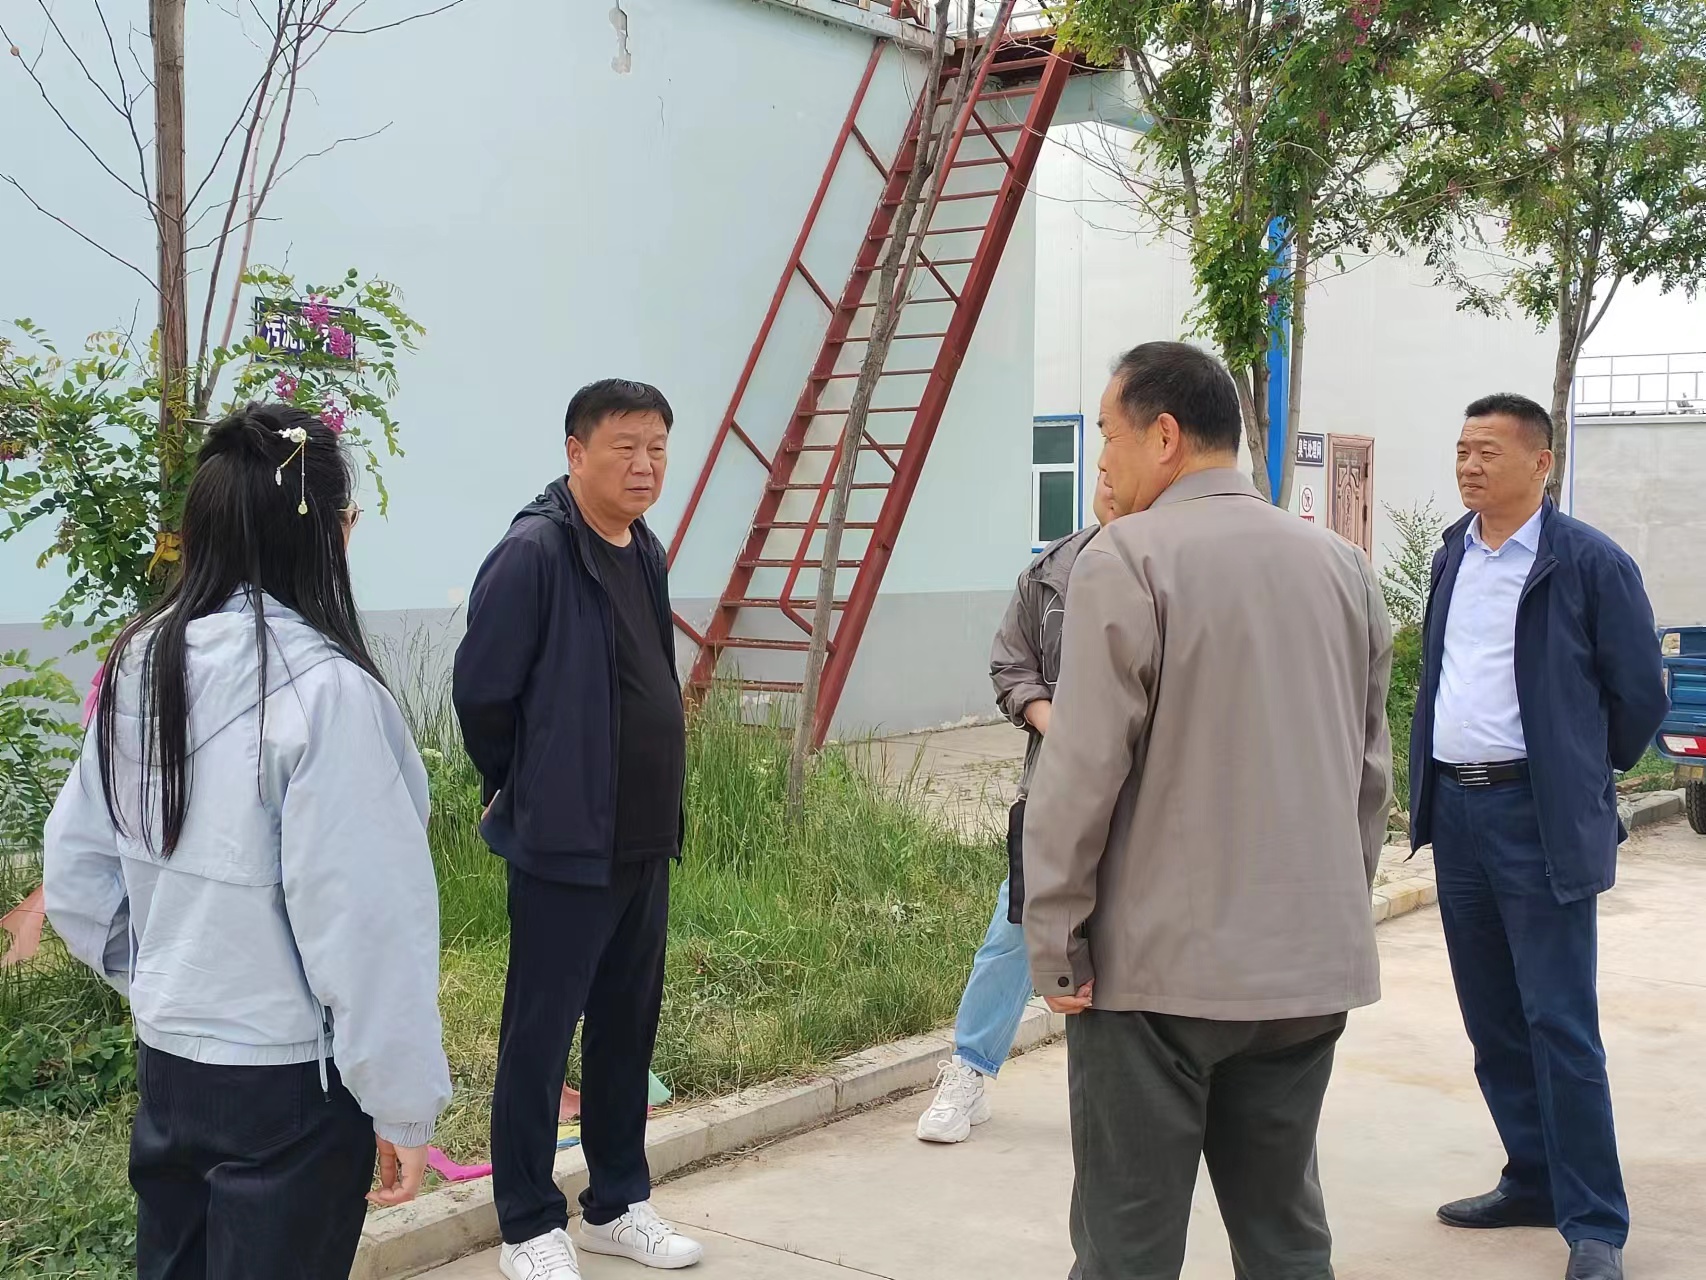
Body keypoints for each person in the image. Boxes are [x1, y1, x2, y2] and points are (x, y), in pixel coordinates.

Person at [43, 403, 451, 1280]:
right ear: (325, 533)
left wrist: (165, 980)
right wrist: (401, 1104)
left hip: (171, 1065)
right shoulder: (328, 694)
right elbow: (368, 928)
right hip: (288, 1085)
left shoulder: (141, 662)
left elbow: (75, 877)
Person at [1023, 341, 1394, 1280]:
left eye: (1106, 435)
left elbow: (1082, 771)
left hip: (1156, 981)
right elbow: (1368, 776)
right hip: (1304, 976)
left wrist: (1056, 933)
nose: (1102, 461)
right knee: (1285, 1236)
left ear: (1164, 436)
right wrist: (1331, 915)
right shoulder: (1344, 566)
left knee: (1127, 1246)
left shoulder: (1128, 558)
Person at [1410, 395, 1667, 1280]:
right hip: (1458, 812)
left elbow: (1640, 694)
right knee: (1492, 1018)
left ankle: (1595, 1224)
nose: (1469, 465)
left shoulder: (1588, 562)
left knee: (1561, 1021)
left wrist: (1576, 771)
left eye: (1488, 451)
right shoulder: (1454, 553)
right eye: (1461, 449)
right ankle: (1532, 1178)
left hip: (1536, 815)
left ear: (1541, 462)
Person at [454, 379, 701, 1278]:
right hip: (564, 842)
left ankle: (616, 1203)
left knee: (627, 1030)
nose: (644, 466)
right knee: (540, 1034)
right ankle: (527, 1224)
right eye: (625, 447)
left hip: (642, 837)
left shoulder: (645, 549)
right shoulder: (534, 553)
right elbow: (482, 694)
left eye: (657, 449)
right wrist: (528, 786)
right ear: (575, 451)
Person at [916, 475, 1117, 1143]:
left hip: (1149, 796)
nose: (1109, 481)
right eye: (1102, 465)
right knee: (1019, 925)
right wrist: (1054, 723)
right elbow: (1012, 664)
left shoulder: (1179, 566)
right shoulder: (1052, 571)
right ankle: (968, 1069)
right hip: (1056, 789)